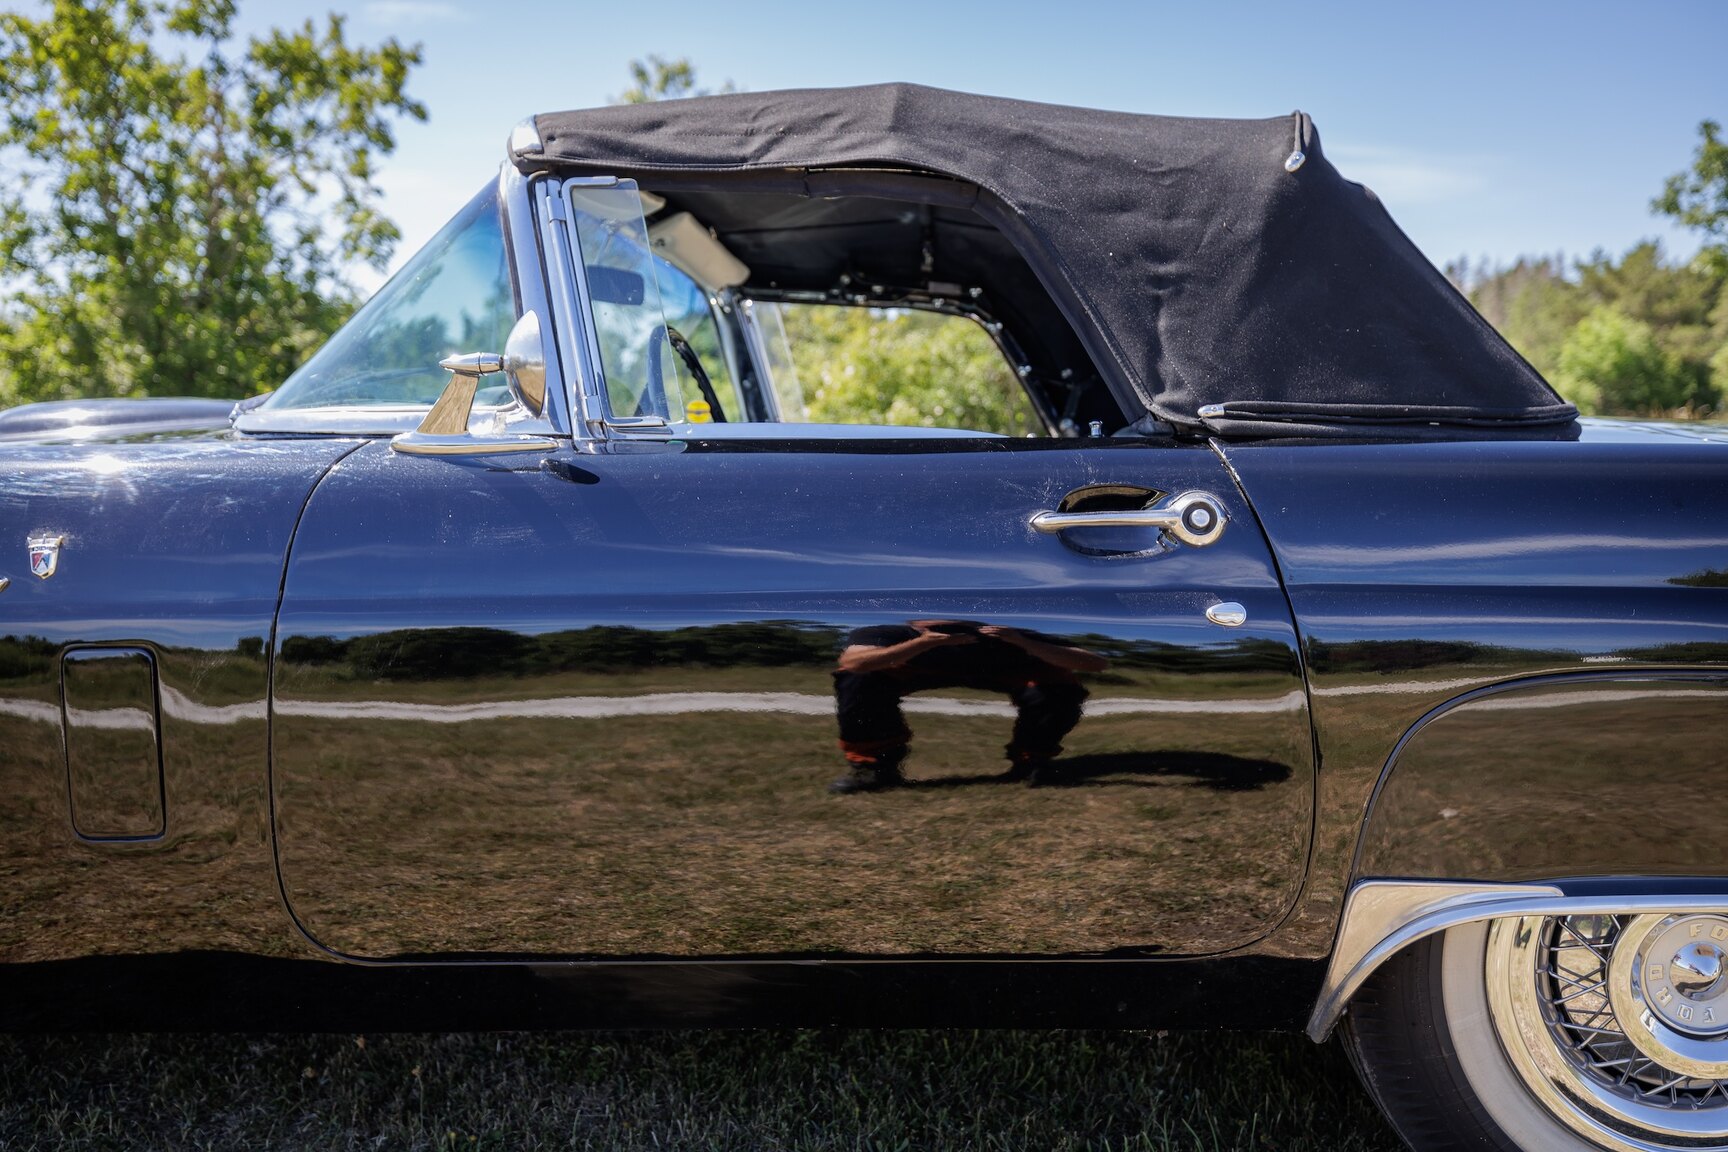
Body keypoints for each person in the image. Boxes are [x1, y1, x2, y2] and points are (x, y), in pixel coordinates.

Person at [829, 619, 1107, 794]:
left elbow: (1095, 663)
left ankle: (1032, 760)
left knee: (1059, 684)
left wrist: (1022, 642)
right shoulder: (888, 632)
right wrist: (922, 643)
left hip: (1003, 670)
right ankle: (874, 765)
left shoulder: (1007, 633)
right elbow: (854, 663)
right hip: (917, 667)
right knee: (859, 678)